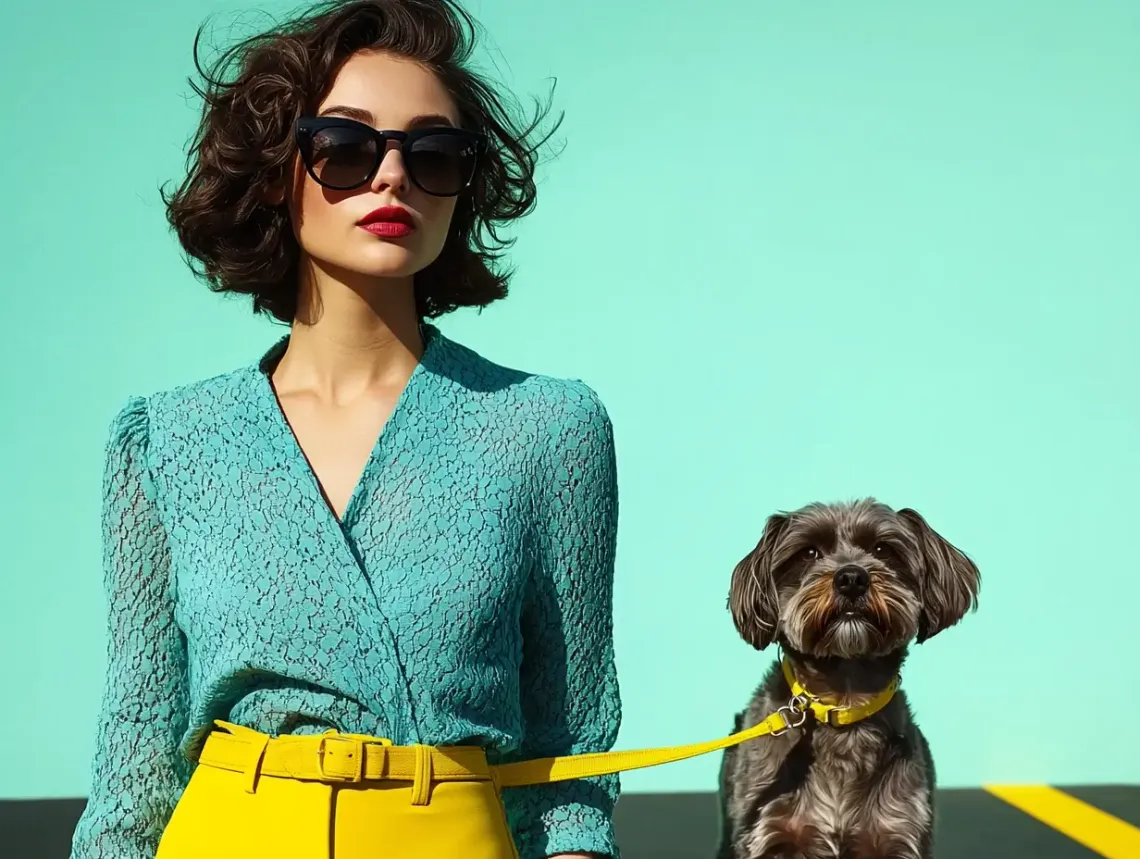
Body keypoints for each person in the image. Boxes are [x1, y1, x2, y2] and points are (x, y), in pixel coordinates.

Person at [68, 1, 622, 857]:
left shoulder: (548, 429)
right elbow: (133, 774)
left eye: (432, 153)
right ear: (275, 169)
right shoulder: (166, 441)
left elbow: (572, 754)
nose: (392, 177)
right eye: (346, 147)